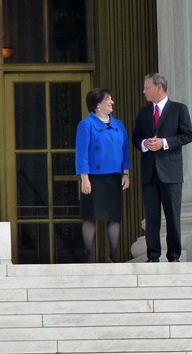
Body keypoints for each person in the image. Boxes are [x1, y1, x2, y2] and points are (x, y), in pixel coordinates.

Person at [132, 73, 192, 262]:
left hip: (171, 172)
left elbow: (187, 135)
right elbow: (135, 138)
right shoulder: (143, 113)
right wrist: (145, 144)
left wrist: (164, 143)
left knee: (173, 215)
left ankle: (174, 255)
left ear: (159, 88)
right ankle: (152, 255)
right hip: (149, 172)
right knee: (151, 216)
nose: (143, 91)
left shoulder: (179, 109)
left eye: (146, 87)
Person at [75, 88, 131, 263]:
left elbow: (125, 151)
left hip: (114, 177)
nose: (112, 102)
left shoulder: (119, 125)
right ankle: (89, 255)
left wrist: (126, 173)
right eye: (108, 99)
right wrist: (84, 178)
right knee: (90, 216)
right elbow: (81, 153)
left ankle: (114, 253)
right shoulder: (86, 125)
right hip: (94, 177)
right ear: (98, 104)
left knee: (114, 216)